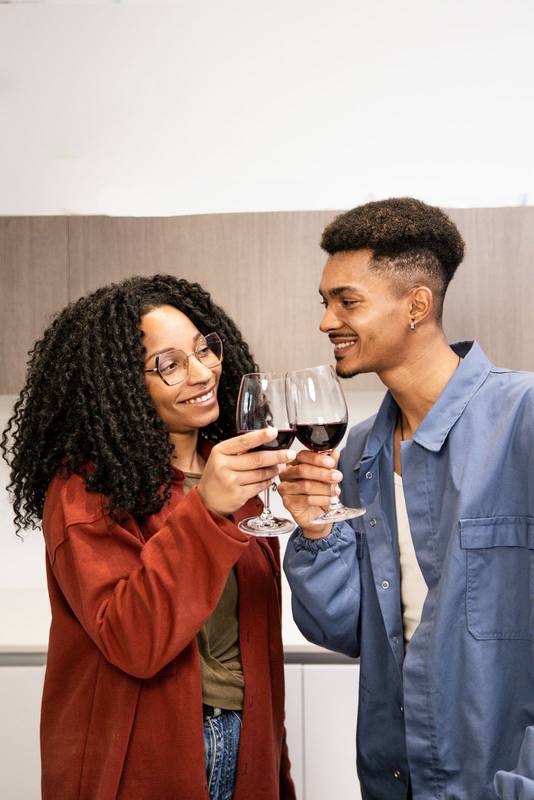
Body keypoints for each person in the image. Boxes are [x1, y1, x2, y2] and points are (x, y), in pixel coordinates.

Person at [2, 274, 296, 800]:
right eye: (170, 364)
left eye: (204, 350)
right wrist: (205, 508)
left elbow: (251, 644)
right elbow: (134, 641)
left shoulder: (227, 468)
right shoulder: (86, 488)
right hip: (145, 759)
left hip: (245, 740)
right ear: (120, 385)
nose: (202, 372)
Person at [279, 198, 534, 800]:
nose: (326, 322)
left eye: (348, 301)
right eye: (325, 302)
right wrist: (317, 531)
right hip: (396, 774)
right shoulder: (359, 450)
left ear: (417, 304)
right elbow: (346, 629)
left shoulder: (521, 419)